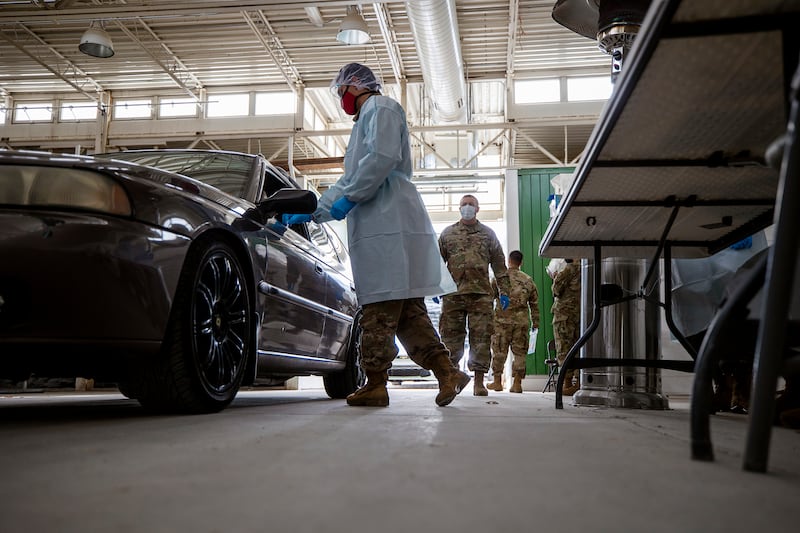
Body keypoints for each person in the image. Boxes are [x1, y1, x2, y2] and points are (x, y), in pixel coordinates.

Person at [283, 62, 469, 408]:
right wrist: (315, 211)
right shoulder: (366, 119)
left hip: (386, 225)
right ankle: (447, 372)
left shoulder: (380, 107)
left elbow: (380, 159)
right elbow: (351, 178)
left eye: (342, 92)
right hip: (385, 224)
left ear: (355, 86)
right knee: (408, 312)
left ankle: (375, 383)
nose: (342, 99)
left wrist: (350, 198)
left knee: (379, 308)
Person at [438, 194, 510, 396]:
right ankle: (450, 381)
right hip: (453, 295)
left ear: (477, 209)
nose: (467, 207)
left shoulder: (488, 234)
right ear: (459, 208)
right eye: (464, 204)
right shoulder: (447, 234)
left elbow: (499, 265)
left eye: (471, 204)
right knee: (450, 339)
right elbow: (437, 263)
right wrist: (436, 287)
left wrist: (504, 291)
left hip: (481, 295)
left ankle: (479, 382)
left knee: (481, 339)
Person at [488, 250, 539, 393]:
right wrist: (536, 323)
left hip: (501, 322)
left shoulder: (499, 279)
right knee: (520, 353)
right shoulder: (528, 280)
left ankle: (497, 382)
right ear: (521, 262)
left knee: (499, 351)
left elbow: (489, 298)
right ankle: (517, 384)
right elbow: (534, 304)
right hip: (521, 323)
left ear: (508, 261)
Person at [550, 258, 581, 396]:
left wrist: (555, 277)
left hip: (565, 315)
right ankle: (579, 382)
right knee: (579, 347)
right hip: (580, 314)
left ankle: (567, 383)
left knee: (564, 347)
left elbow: (556, 290)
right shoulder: (587, 268)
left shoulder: (569, 269)